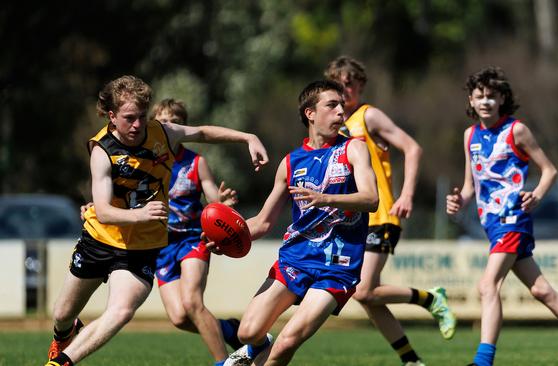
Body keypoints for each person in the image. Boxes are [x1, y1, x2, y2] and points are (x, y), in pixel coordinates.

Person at [46, 75, 268, 366]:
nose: (137, 125)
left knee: (122, 310)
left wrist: (247, 137)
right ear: (112, 116)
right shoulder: (102, 151)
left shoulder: (162, 133)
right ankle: (66, 333)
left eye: (141, 116)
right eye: (129, 118)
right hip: (100, 239)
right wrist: (139, 214)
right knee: (62, 314)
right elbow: (102, 211)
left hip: (143, 247)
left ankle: (61, 363)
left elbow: (202, 132)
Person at [445, 66, 558, 366]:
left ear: (502, 99)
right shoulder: (469, 136)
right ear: (471, 101)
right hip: (492, 224)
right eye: (479, 96)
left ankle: (483, 361)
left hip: (513, 219)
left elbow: (549, 170)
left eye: (491, 96)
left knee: (487, 285)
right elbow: (470, 184)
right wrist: (458, 200)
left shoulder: (516, 131)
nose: (485, 101)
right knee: (542, 291)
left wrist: (536, 195)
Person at [210, 79, 379, 366]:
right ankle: (255, 348)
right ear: (310, 113)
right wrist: (227, 236)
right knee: (248, 332)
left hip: (337, 266)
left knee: (288, 342)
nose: (341, 111)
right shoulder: (291, 162)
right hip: (296, 259)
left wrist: (326, 199)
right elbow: (263, 222)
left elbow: (371, 198)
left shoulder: (354, 149)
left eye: (342, 105)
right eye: (332, 105)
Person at [78, 98, 245, 365]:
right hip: (160, 244)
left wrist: (221, 203)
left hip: (192, 239)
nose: (169, 126)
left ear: (182, 127)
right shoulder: (144, 160)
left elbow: (213, 199)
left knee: (192, 303)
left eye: (175, 123)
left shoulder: (195, 162)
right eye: (164, 121)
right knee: (179, 317)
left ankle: (225, 362)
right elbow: (118, 194)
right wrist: (95, 207)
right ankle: (229, 330)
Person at [324, 56, 456, 365]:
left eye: (349, 84)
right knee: (368, 297)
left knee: (363, 291)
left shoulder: (368, 117)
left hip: (381, 214)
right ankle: (411, 360)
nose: (344, 90)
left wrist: (407, 193)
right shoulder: (333, 126)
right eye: (337, 84)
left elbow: (413, 148)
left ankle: (430, 298)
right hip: (352, 219)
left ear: (360, 86)